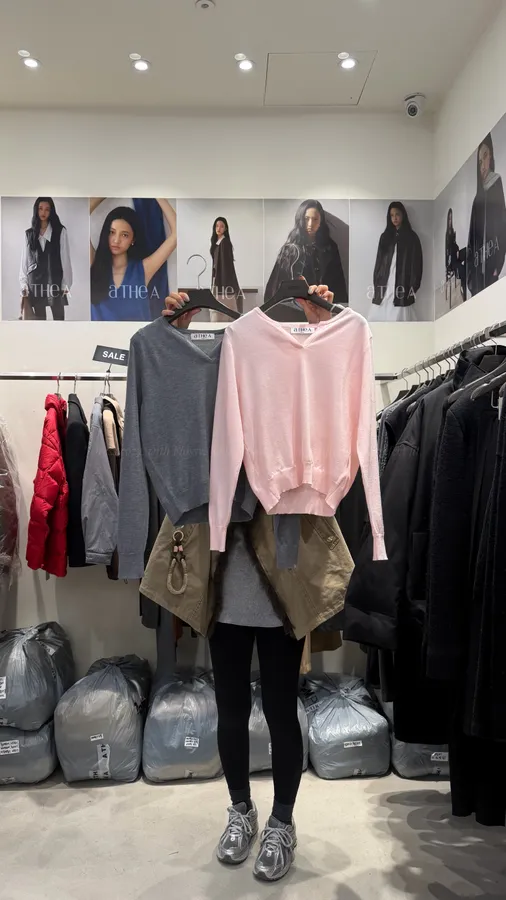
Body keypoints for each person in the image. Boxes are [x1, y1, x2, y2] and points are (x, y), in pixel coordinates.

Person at [162, 283, 334, 883]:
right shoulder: (215, 366)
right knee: (231, 707)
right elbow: (177, 401)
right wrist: (175, 332)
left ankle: (283, 820)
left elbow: (327, 379)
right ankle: (241, 810)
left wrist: (319, 322)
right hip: (225, 576)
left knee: (282, 708)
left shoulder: (287, 366)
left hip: (282, 571)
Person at [90, 199, 177, 321]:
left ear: (133, 239)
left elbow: (176, 235)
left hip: (139, 334)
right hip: (96, 334)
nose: (116, 240)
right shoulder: (95, 265)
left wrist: (158, 193)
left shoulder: (142, 269)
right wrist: (104, 192)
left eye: (124, 235)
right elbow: (80, 217)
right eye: (112, 232)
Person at [264, 200, 348, 317]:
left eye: (315, 219)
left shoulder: (330, 248)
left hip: (322, 309)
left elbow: (338, 284)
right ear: (300, 219)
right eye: (306, 218)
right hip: (294, 312)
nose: (310, 224)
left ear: (321, 221)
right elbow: (276, 287)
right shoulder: (290, 250)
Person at [20, 197, 72, 321]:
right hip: (35, 282)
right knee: (39, 323)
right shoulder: (29, 234)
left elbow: (65, 260)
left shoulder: (60, 231)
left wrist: (66, 284)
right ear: (36, 210)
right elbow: (24, 261)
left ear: (51, 211)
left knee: (59, 321)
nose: (43, 212)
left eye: (47, 209)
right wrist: (24, 285)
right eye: (40, 208)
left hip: (54, 281)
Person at [369, 201, 423, 322]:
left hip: (403, 282)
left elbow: (417, 264)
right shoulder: (385, 237)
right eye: (392, 215)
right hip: (385, 282)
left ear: (403, 215)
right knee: (379, 316)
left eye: (397, 214)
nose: (395, 218)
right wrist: (377, 282)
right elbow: (379, 262)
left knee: (399, 317)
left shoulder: (412, 237)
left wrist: (413, 287)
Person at [467, 132, 506, 297]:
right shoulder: (477, 198)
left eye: (485, 156)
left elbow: (502, 226)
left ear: (491, 155)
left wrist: (497, 264)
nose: (483, 165)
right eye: (479, 161)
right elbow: (471, 239)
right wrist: (470, 274)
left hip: (491, 266)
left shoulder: (496, 182)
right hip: (477, 272)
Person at [210, 217, 242, 314]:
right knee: (220, 309)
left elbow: (227, 267)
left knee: (225, 309)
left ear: (225, 229)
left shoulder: (225, 243)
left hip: (224, 282)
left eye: (221, 226)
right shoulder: (217, 243)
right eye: (217, 226)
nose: (218, 228)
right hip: (218, 280)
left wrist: (224, 286)